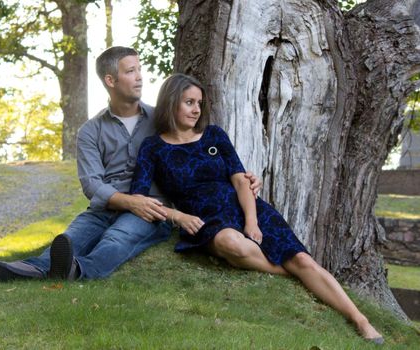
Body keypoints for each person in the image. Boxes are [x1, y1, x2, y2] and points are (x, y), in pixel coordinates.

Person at [129, 73, 384, 344]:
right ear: (171, 103)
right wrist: (177, 216)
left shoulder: (214, 135)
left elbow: (240, 181)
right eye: (188, 102)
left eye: (199, 103)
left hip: (246, 207)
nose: (196, 110)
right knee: (232, 243)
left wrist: (251, 221)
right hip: (206, 219)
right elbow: (139, 197)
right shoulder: (153, 148)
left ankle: (361, 321)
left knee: (302, 260)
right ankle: (290, 275)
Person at [0, 47, 263, 283]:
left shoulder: (162, 120)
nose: (139, 78)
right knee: (69, 238)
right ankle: (27, 269)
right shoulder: (90, 131)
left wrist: (242, 178)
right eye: (130, 72)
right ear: (110, 80)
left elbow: (200, 152)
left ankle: (79, 270)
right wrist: (127, 201)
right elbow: (91, 183)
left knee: (117, 239)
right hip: (105, 207)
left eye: (139, 70)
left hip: (151, 210)